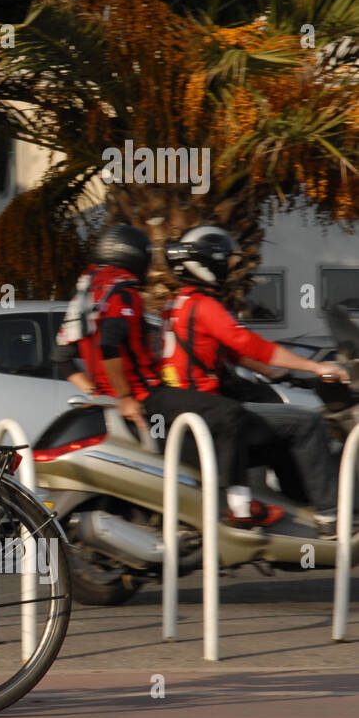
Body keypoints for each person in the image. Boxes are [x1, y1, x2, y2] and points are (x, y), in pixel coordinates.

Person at [52, 225, 276, 527]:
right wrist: (125, 397)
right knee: (230, 413)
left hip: (118, 398)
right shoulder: (123, 288)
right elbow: (110, 341)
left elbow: (62, 357)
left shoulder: (87, 290)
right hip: (148, 395)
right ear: (133, 256)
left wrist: (98, 391)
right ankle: (240, 507)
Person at [161, 226, 351, 535]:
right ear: (210, 264)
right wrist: (316, 368)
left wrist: (282, 374)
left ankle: (298, 508)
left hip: (190, 411)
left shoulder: (177, 304)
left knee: (282, 435)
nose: (228, 269)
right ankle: (332, 517)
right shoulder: (205, 306)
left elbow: (223, 351)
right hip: (209, 414)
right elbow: (249, 344)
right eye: (224, 261)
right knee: (306, 424)